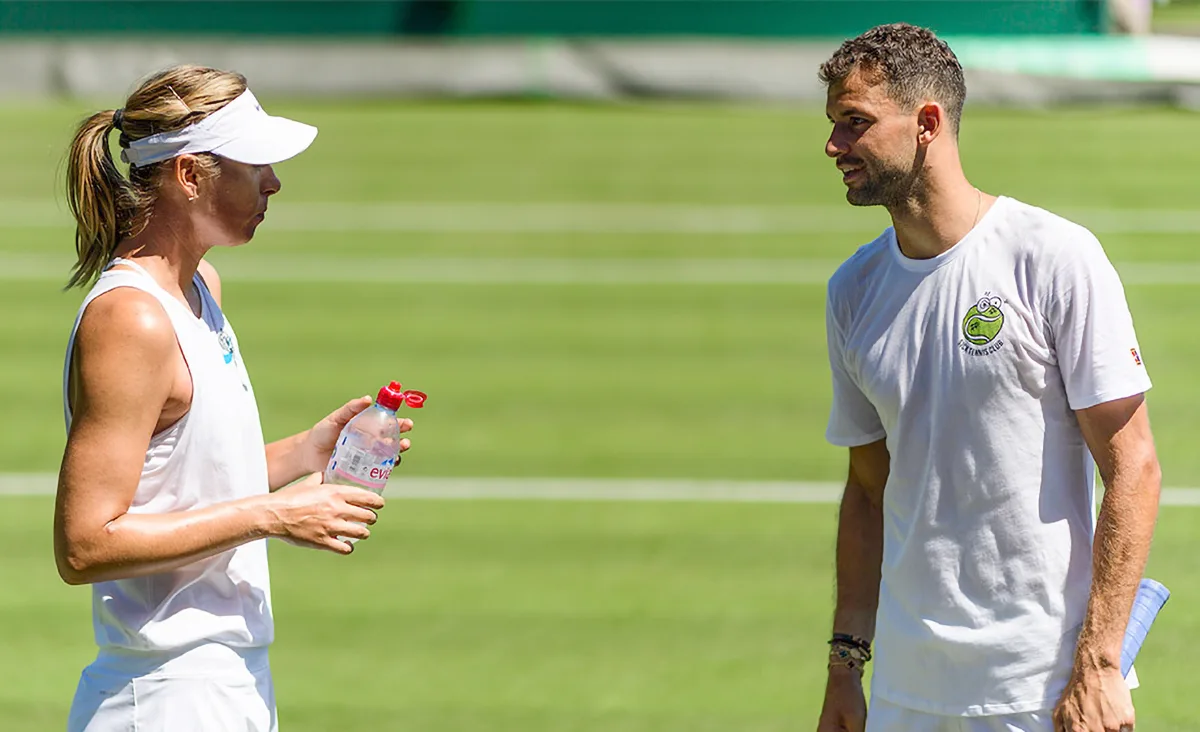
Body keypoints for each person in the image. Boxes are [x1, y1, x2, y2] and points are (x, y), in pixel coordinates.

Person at [814, 24, 1161, 732]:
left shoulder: (1054, 257)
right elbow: (868, 489)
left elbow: (1134, 468)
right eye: (833, 126)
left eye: (855, 124)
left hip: (1043, 687)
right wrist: (845, 668)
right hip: (907, 693)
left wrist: (1096, 665)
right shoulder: (852, 290)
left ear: (927, 124)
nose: (833, 147)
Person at [54, 64, 414, 731]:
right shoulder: (131, 320)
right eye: (255, 163)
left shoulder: (201, 289)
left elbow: (185, 480)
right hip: (166, 694)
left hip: (229, 681)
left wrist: (306, 452)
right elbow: (84, 545)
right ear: (190, 175)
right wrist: (272, 516)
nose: (274, 181)